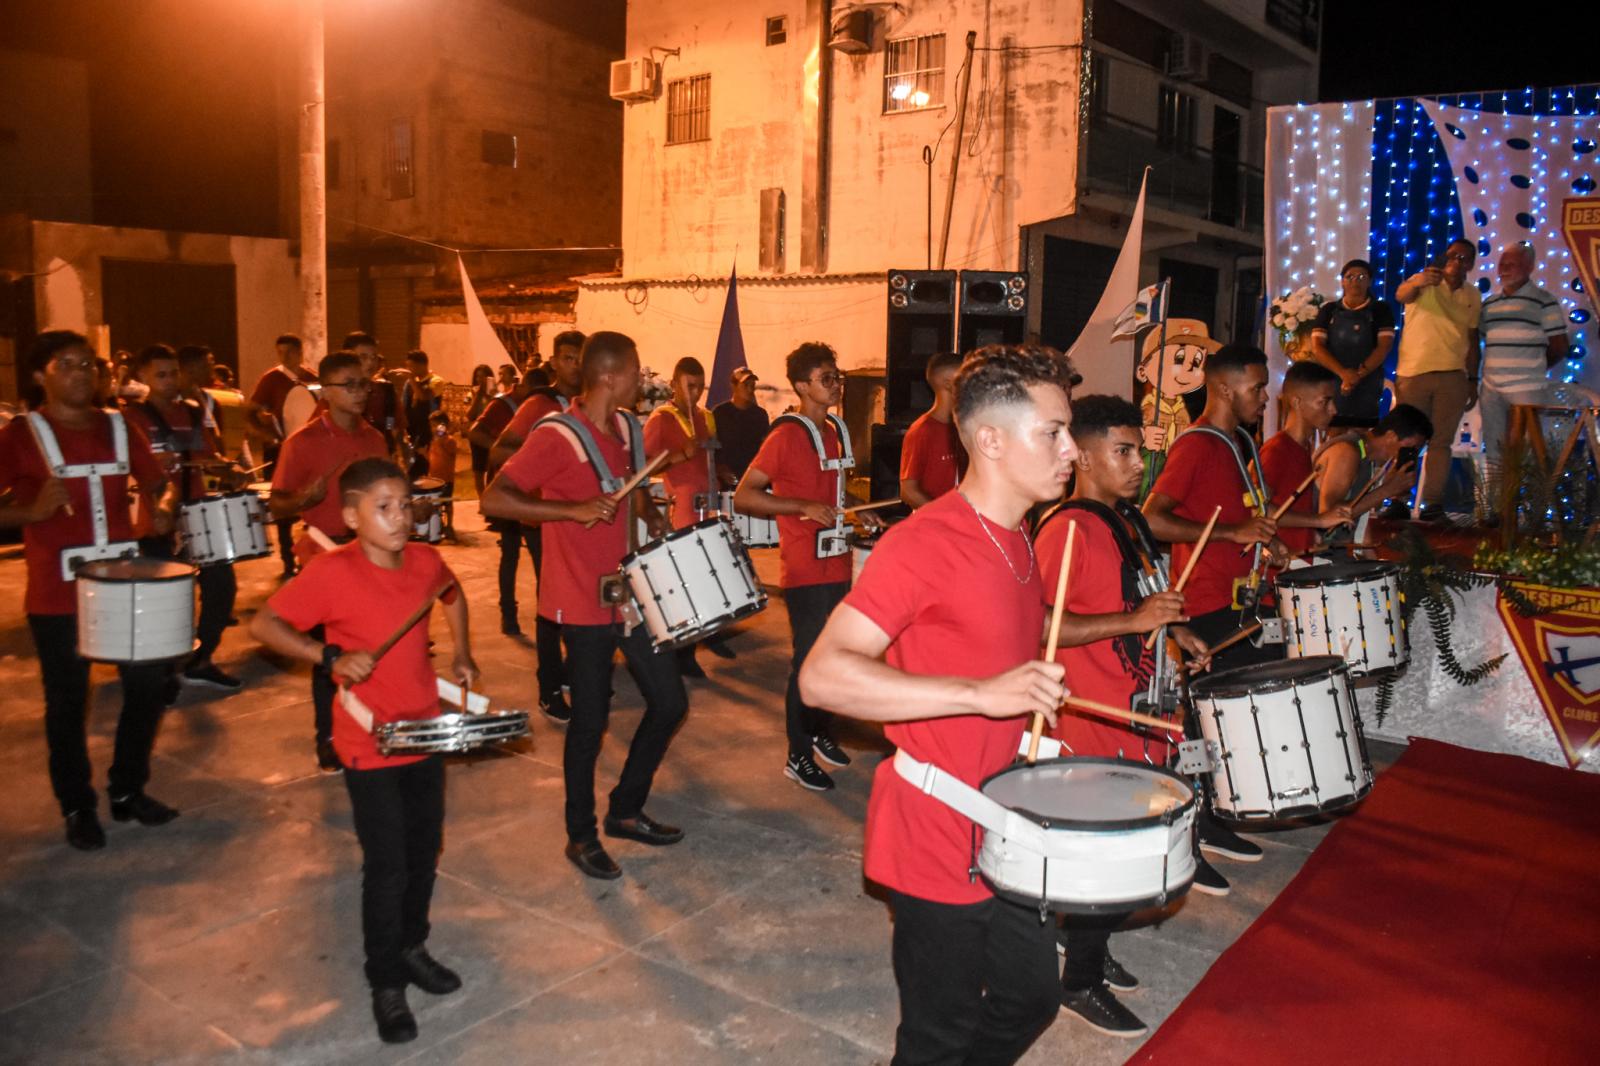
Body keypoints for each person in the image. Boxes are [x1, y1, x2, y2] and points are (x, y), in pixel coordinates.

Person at [797, 344, 1075, 1066]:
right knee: (935, 1037)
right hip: (936, 828)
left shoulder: (1020, 536)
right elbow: (821, 677)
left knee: (1032, 997)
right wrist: (981, 696)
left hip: (1009, 822)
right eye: (1053, 432)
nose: (1070, 449)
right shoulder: (923, 544)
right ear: (990, 439)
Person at [250, 457, 475, 1045]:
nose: (401, 517)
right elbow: (264, 625)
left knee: (425, 850)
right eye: (384, 507)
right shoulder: (332, 573)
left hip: (424, 733)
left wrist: (462, 653)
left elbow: (452, 595)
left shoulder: (425, 562)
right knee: (387, 866)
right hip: (367, 743)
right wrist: (328, 658)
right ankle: (385, 980)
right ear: (351, 516)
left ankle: (412, 946)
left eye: (405, 504)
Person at [481, 330, 689, 881]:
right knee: (590, 721)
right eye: (636, 370)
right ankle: (581, 836)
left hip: (629, 594)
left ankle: (624, 808)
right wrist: (572, 511)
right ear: (610, 375)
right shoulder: (556, 435)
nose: (642, 380)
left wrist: (653, 514)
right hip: (579, 601)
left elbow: (633, 490)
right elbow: (494, 496)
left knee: (669, 702)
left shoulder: (627, 428)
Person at [1033, 394, 1211, 1037]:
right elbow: (1041, 625)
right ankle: (1077, 983)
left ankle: (1088, 947)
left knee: (1114, 864)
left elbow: (1143, 600)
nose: (1141, 463)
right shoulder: (1068, 529)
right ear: (1080, 454)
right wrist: (1135, 622)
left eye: (1141, 450)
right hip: (1089, 721)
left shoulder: (1125, 520)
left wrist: (1174, 630)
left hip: (1133, 714)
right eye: (1124, 451)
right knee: (1099, 862)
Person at [0, 331, 181, 850]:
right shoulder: (20, 435)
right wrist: (29, 513)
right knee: (67, 702)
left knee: (147, 686)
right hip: (57, 596)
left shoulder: (121, 427)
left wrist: (163, 503)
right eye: (68, 364)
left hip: (125, 584)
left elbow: (157, 481)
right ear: (41, 375)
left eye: (90, 364)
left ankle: (126, 791)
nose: (83, 373)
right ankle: (77, 805)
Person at [735, 341, 883, 792]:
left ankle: (820, 732)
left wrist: (859, 509)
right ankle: (797, 754)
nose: (836, 384)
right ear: (801, 386)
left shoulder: (836, 428)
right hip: (804, 569)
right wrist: (800, 504)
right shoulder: (785, 435)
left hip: (838, 563)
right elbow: (746, 495)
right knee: (807, 663)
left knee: (833, 657)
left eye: (837, 376)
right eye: (826, 378)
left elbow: (833, 494)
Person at [269, 351, 390, 772]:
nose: (360, 392)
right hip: (325, 556)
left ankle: (374, 725)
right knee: (330, 656)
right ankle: (328, 735)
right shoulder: (303, 443)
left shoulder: (375, 440)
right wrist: (306, 498)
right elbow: (277, 504)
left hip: (371, 557)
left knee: (375, 649)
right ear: (325, 390)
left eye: (364, 384)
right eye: (349, 384)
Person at [1144, 343, 1287, 668]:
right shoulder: (1197, 444)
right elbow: (1150, 519)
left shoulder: (1236, 441)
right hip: (1210, 608)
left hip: (1243, 603)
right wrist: (1232, 533)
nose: (1265, 398)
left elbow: (1236, 518)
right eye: (1257, 388)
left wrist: (1264, 543)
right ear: (1224, 389)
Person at [124, 345, 242, 691]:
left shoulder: (192, 412)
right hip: (154, 520)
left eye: (173, 373)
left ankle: (200, 659)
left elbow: (208, 456)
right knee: (165, 600)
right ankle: (161, 674)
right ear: (142, 377)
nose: (169, 380)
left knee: (222, 587)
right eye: (160, 374)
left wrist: (227, 469)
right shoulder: (131, 419)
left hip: (198, 513)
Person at [485, 329, 583, 720]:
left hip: (576, 517)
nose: (575, 364)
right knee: (552, 603)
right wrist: (541, 462)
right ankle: (548, 686)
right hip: (542, 519)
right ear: (555, 363)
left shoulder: (587, 404)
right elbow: (499, 450)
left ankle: (573, 673)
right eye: (568, 357)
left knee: (579, 599)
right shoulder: (540, 404)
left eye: (581, 357)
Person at [643, 356, 735, 678]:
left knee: (712, 575)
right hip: (681, 508)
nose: (695, 393)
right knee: (687, 582)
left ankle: (711, 633)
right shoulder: (662, 419)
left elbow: (710, 457)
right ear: (675, 383)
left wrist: (722, 471)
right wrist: (682, 454)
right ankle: (685, 653)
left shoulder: (705, 416)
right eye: (690, 386)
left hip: (708, 504)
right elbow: (645, 465)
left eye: (700, 386)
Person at [1392, 238, 1482, 521]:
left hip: (1453, 376)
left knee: (1441, 442)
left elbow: (1472, 338)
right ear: (1445, 257)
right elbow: (1401, 295)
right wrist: (1418, 281)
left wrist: (1472, 379)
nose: (1457, 261)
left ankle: (1433, 504)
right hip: (1414, 373)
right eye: (1453, 255)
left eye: (1464, 258)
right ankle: (1397, 499)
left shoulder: (1473, 295)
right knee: (1407, 440)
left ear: (1471, 264)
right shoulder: (1425, 282)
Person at [1478, 242, 1571, 483]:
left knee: (1527, 452)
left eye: (1513, 264)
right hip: (1491, 387)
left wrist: (1533, 366)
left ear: (1529, 267)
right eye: (1502, 264)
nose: (1505, 268)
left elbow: (1560, 346)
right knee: (1495, 450)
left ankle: (1527, 512)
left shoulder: (1544, 301)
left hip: (1526, 387)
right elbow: (1479, 339)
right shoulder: (1488, 304)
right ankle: (1497, 511)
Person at [1258, 361, 1354, 558]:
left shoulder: (1304, 447)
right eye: (1324, 401)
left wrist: (1310, 535)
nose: (1333, 410)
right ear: (1296, 402)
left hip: (1297, 565)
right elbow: (1258, 509)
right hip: (1276, 573)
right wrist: (1317, 521)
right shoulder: (1277, 450)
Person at [251, 333, 319, 576]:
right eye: (280, 353)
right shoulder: (270, 380)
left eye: (289, 352)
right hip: (281, 450)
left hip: (310, 452)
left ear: (300, 352)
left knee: (312, 503)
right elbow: (251, 412)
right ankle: (288, 559)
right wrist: (267, 435)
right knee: (282, 507)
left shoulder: (312, 379)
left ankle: (309, 558)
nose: (284, 357)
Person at [1305, 259, 1397, 426]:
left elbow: (1384, 346)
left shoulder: (1380, 309)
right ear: (1342, 281)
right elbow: (1317, 347)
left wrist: (1357, 376)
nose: (1355, 281)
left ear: (1370, 281)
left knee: (1362, 435)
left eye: (1362, 277)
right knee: (1334, 431)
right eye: (1350, 276)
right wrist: (1343, 374)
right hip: (1334, 381)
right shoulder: (1329, 310)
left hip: (1367, 382)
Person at [1315, 404, 1434, 527]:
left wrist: (1388, 485)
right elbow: (1328, 515)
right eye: (1412, 448)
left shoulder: (1368, 457)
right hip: (1316, 544)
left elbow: (1363, 510)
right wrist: (1388, 489)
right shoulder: (1346, 452)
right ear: (1391, 436)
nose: (1413, 454)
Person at [899, 350, 967, 509]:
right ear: (948, 384)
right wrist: (944, 515)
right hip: (936, 526)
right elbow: (908, 491)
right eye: (966, 376)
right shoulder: (922, 431)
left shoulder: (967, 426)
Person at [348, 332, 403, 458]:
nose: (370, 363)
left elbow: (392, 420)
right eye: (363, 357)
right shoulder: (337, 394)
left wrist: (388, 431)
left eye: (373, 357)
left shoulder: (385, 391)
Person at [711, 366, 770, 482]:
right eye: (745, 385)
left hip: (752, 479)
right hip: (726, 482)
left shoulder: (760, 415)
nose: (750, 389)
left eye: (752, 386)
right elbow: (711, 448)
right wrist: (720, 469)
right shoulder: (719, 413)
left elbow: (765, 449)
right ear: (733, 386)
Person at [400, 350, 443, 478]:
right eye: (407, 367)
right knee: (412, 467)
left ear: (423, 365)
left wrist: (411, 379)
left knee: (428, 466)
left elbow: (424, 396)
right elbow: (404, 406)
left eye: (411, 366)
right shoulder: (409, 383)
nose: (409, 370)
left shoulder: (436, 381)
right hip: (412, 431)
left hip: (429, 430)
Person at [466, 364, 497, 496]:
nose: (480, 379)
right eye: (478, 376)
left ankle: (491, 500)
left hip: (491, 435)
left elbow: (496, 412)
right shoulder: (472, 393)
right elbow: (469, 415)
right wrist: (478, 395)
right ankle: (482, 500)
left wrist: (492, 395)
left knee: (492, 470)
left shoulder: (496, 393)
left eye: (484, 376)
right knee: (478, 471)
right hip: (477, 435)